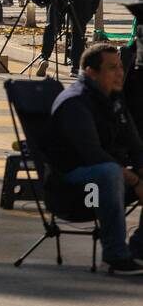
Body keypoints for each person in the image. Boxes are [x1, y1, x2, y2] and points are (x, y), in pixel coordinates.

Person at [48, 44, 143, 275]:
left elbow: (135, 143)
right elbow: (92, 154)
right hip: (76, 182)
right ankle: (115, 256)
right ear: (91, 72)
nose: (120, 73)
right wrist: (135, 181)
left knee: (115, 170)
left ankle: (139, 250)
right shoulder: (75, 102)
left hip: (109, 176)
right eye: (112, 68)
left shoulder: (114, 99)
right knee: (108, 171)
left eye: (120, 67)